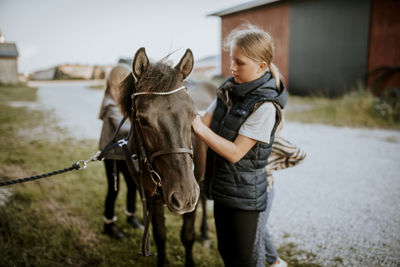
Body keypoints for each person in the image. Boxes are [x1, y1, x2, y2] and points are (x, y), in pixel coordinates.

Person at [192, 25, 288, 266]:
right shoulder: (228, 90)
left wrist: (201, 131)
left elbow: (235, 153)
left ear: (262, 66)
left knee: (246, 261)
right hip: (224, 188)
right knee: (227, 254)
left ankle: (275, 262)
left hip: (247, 197)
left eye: (240, 62)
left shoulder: (265, 106)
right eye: (231, 60)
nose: (232, 68)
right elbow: (204, 119)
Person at [98, 64, 143, 240]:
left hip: (124, 153)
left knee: (132, 184)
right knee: (114, 189)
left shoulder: (123, 101)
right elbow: (124, 128)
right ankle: (108, 224)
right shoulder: (111, 104)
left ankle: (131, 215)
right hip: (113, 155)